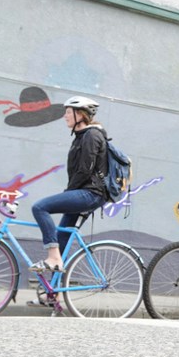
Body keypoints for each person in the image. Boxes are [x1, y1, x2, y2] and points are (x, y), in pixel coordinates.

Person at [29, 96, 108, 274]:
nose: (65, 116)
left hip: (91, 194)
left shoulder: (92, 135)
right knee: (62, 236)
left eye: (68, 112)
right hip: (84, 192)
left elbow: (85, 170)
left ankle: (53, 257)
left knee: (40, 207)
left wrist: (68, 193)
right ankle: (53, 294)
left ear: (79, 114)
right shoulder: (81, 136)